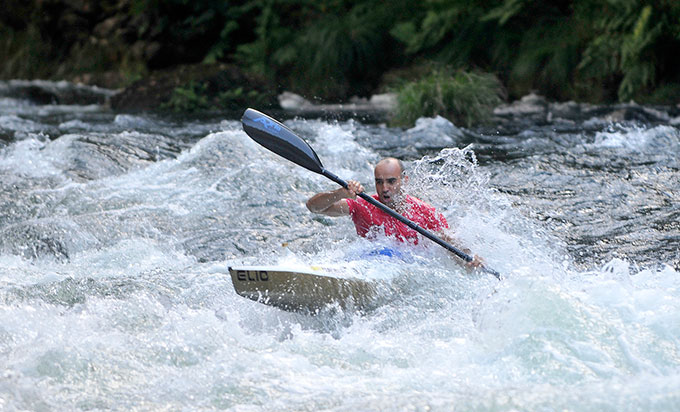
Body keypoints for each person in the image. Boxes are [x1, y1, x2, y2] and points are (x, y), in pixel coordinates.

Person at [306, 157, 484, 268]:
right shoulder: (363, 205)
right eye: (379, 182)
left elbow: (452, 246)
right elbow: (314, 207)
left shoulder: (426, 213)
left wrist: (470, 260)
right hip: (367, 265)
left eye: (391, 181)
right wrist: (340, 193)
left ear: (404, 180)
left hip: (407, 271)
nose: (385, 188)